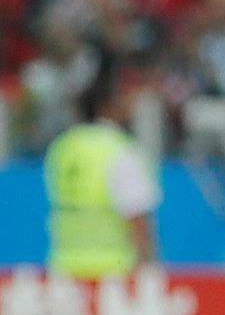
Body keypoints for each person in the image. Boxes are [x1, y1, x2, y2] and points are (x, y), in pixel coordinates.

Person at [43, 65, 159, 277]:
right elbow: (137, 217)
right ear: (108, 106)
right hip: (113, 272)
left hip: (65, 268)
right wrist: (149, 270)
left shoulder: (63, 147)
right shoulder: (120, 150)